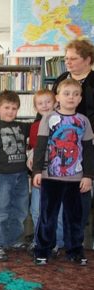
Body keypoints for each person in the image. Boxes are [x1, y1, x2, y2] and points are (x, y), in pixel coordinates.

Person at [33, 78, 94, 266]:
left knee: (74, 218)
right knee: (47, 216)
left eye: (76, 94)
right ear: (57, 96)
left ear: (80, 98)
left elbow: (89, 150)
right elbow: (41, 146)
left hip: (75, 178)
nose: (71, 97)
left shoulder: (84, 121)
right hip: (51, 177)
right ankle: (42, 250)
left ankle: (75, 250)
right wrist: (37, 171)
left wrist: (88, 175)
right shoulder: (48, 118)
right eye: (67, 93)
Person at [52, 39, 94, 240]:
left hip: (89, 143)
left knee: (85, 187)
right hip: (63, 144)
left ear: (87, 59)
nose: (68, 62)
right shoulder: (60, 79)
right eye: (66, 58)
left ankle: (80, 233)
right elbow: (49, 110)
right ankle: (62, 234)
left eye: (73, 59)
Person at [0, 90, 30, 262]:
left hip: (22, 176)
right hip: (1, 177)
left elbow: (40, 128)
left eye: (14, 108)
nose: (10, 111)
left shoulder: (23, 127)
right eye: (7, 107)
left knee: (20, 210)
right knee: (1, 211)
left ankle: (13, 239)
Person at [26, 89, 64, 256]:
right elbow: (34, 148)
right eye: (40, 103)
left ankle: (56, 242)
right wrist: (30, 157)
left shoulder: (64, 123)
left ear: (56, 102)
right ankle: (39, 239)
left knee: (58, 211)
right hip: (39, 175)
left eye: (48, 102)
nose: (45, 106)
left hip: (58, 175)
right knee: (36, 209)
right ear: (36, 107)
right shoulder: (34, 127)